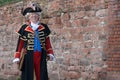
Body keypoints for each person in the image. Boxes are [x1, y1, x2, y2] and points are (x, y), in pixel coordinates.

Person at [13, 3, 55, 80]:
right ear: (29, 17)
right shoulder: (24, 28)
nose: (34, 16)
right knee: (29, 75)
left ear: (39, 16)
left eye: (36, 14)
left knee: (41, 74)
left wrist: (50, 53)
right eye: (32, 15)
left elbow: (48, 42)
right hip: (28, 55)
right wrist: (17, 57)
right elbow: (20, 44)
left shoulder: (44, 27)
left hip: (41, 55)